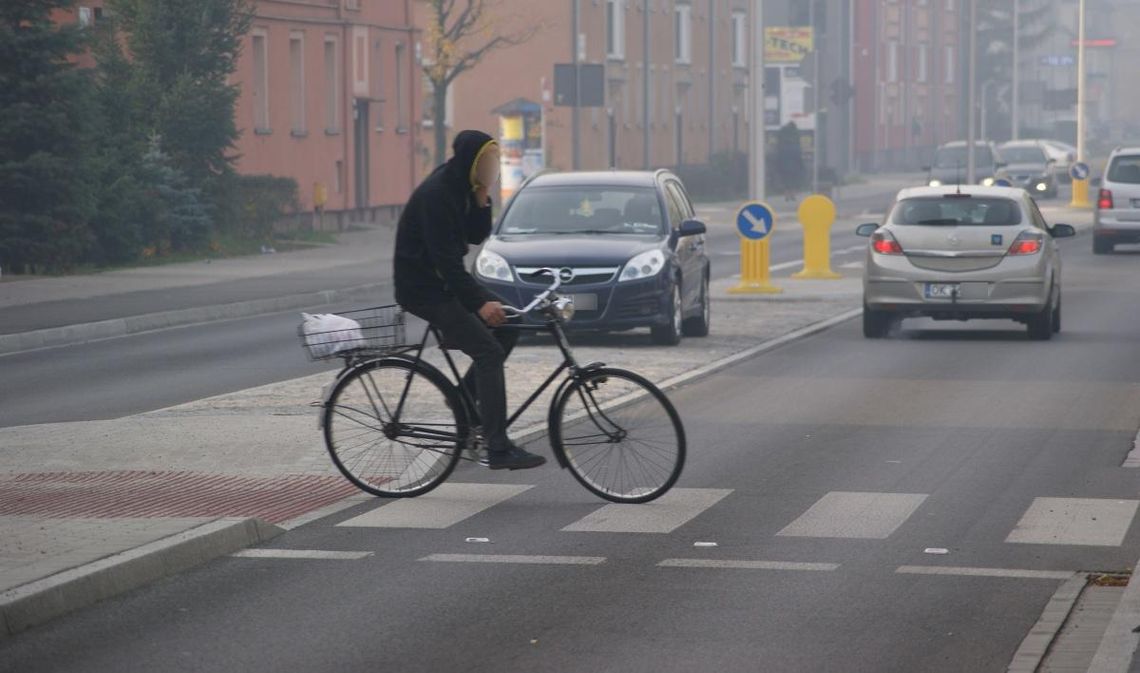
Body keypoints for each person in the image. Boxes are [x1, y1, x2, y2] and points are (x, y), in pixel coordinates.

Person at [393, 130, 546, 471]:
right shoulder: (438, 194)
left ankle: (462, 397)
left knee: (510, 321)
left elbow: (476, 236)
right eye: (488, 162)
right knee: (488, 351)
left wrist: (483, 196)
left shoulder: (464, 186)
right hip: (422, 288)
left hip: (442, 283)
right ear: (471, 162)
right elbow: (447, 263)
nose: (493, 167)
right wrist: (479, 304)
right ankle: (498, 447)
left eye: (495, 162)